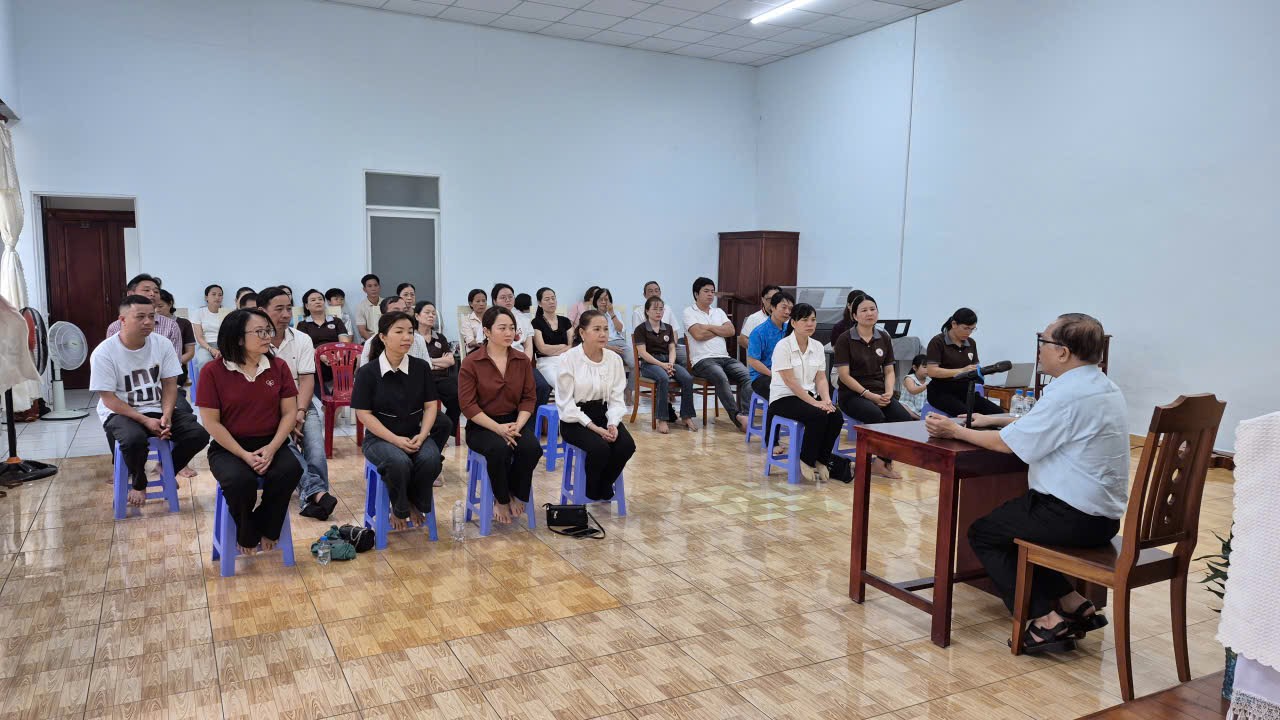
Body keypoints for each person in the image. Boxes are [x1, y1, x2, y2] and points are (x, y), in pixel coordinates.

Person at [926, 313, 1127, 654]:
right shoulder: (1102, 386)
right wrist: (991, 418)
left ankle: (1045, 620)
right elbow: (1042, 422)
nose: (1039, 350)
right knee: (1011, 526)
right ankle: (1073, 602)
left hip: (1070, 514)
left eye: (1043, 342)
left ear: (1063, 352)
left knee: (985, 534)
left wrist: (955, 431)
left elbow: (1007, 445)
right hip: (1103, 517)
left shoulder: (1068, 393)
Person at [196, 308, 302, 555]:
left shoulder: (278, 367)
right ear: (238, 338)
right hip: (229, 447)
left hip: (271, 442)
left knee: (290, 470)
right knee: (239, 481)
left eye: (268, 331)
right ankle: (247, 533)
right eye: (260, 332)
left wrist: (272, 448)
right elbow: (212, 423)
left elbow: (289, 413)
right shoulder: (212, 371)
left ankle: (269, 528)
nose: (267, 336)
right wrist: (244, 455)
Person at [91, 294, 209, 505]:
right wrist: (145, 421)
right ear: (122, 320)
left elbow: (170, 384)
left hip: (155, 406)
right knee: (134, 440)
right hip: (120, 412)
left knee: (198, 434)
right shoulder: (104, 352)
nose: (148, 322)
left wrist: (167, 415)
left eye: (151, 316)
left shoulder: (162, 344)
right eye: (140, 317)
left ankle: (167, 468)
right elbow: (108, 399)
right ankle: (139, 482)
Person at [352, 311, 446, 530]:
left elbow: (431, 406)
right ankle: (401, 508)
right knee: (399, 462)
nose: (407, 337)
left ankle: (414, 502)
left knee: (431, 459)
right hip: (380, 439)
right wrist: (395, 440)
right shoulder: (367, 372)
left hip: (415, 434)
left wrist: (423, 435)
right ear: (383, 337)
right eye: (399, 331)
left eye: (410, 332)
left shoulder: (421, 367)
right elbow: (363, 414)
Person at [459, 307, 543, 524]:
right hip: (482, 425)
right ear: (487, 331)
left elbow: (529, 398)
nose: (508, 333)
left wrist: (518, 425)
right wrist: (498, 429)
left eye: (512, 328)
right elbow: (468, 406)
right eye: (502, 328)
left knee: (531, 448)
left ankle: (516, 492)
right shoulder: (472, 362)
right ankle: (501, 499)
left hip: (514, 421)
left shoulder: (521, 360)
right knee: (499, 449)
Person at [260, 287, 338, 520]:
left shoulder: (301, 338)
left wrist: (301, 412)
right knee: (287, 446)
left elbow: (306, 380)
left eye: (288, 308)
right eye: (279, 309)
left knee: (315, 448)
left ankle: (313, 498)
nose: (286, 314)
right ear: (262, 311)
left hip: (301, 402)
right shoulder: (256, 342)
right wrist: (288, 418)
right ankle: (318, 495)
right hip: (269, 408)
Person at [557, 310, 635, 500]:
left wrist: (613, 423)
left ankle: (603, 484)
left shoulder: (614, 359)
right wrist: (595, 429)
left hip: (604, 413)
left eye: (606, 329)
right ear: (582, 333)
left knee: (626, 446)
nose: (603, 334)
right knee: (600, 448)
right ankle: (592, 489)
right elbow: (566, 404)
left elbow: (616, 398)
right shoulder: (569, 358)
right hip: (575, 419)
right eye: (597, 329)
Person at [833, 292, 910, 478]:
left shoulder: (883, 337)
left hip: (880, 392)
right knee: (876, 416)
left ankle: (881, 462)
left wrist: (889, 392)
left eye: (873, 309)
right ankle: (880, 463)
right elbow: (844, 376)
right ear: (854, 315)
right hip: (852, 394)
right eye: (864, 310)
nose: (869, 313)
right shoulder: (845, 339)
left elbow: (889, 371)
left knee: (903, 418)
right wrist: (869, 395)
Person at [767, 303, 843, 483]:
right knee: (818, 415)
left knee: (835, 415)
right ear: (793, 323)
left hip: (808, 396)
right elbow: (790, 382)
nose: (810, 324)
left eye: (813, 320)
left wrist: (826, 400)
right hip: (783, 398)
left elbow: (821, 378)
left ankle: (821, 459)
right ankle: (806, 459)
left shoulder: (817, 346)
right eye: (805, 320)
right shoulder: (783, 346)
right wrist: (815, 403)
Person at [683, 277, 751, 431]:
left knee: (748, 375)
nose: (710, 294)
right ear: (696, 294)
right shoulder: (689, 312)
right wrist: (720, 330)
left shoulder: (718, 312)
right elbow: (698, 335)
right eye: (706, 291)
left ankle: (746, 415)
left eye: (712, 292)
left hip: (725, 358)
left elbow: (731, 331)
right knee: (720, 376)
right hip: (702, 360)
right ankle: (737, 417)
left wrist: (707, 327)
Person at [632, 296, 696, 434]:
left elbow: (672, 349)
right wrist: (662, 365)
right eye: (655, 309)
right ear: (647, 311)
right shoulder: (640, 329)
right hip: (650, 364)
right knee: (663, 378)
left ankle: (686, 416)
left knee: (687, 378)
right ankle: (662, 419)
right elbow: (642, 353)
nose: (658, 312)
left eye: (661, 309)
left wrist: (670, 364)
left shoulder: (668, 328)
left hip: (668, 361)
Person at [926, 307, 1004, 417]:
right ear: (954, 324)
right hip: (940, 391)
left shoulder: (971, 343)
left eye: (972, 329)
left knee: (998, 413)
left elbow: (974, 367)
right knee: (968, 415)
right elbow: (932, 371)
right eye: (966, 328)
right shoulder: (938, 342)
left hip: (965, 390)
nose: (969, 332)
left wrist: (985, 371)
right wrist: (961, 370)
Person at [493, 283, 551, 407]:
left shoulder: (523, 319)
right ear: (494, 301)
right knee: (509, 387)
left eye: (510, 296)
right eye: (503, 297)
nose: (508, 300)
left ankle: (531, 418)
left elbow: (528, 346)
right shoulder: (489, 319)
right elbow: (485, 345)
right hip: (497, 364)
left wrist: (525, 363)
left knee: (542, 386)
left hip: (521, 362)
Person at [416, 299, 460, 458]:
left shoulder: (440, 337)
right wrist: (437, 362)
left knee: (458, 395)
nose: (431, 316)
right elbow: (417, 363)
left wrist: (429, 362)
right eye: (427, 312)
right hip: (421, 380)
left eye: (433, 313)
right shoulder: (412, 337)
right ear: (417, 316)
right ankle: (430, 431)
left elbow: (450, 361)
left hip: (440, 378)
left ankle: (448, 432)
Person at [105, 274, 183, 359]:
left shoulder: (171, 326)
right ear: (130, 294)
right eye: (146, 290)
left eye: (156, 291)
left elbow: (174, 361)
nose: (152, 294)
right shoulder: (115, 327)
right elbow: (112, 358)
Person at [745, 291, 794, 400]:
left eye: (790, 309)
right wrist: (774, 375)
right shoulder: (759, 332)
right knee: (783, 393)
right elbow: (753, 361)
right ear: (772, 307)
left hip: (786, 374)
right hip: (762, 376)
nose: (787, 312)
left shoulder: (791, 330)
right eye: (784, 307)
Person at [632, 280, 687, 371]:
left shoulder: (667, 308)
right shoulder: (638, 312)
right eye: (650, 291)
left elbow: (674, 331)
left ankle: (674, 373)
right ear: (644, 295)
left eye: (656, 290)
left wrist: (672, 346)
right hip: (651, 349)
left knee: (686, 356)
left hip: (669, 346)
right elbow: (638, 336)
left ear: (660, 293)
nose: (654, 293)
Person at [592, 288, 634, 396]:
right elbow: (592, 338)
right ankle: (611, 394)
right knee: (613, 364)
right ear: (596, 301)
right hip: (603, 345)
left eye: (606, 299)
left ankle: (629, 390)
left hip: (620, 343)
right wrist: (608, 347)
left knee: (635, 364)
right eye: (600, 299)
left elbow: (620, 329)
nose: (603, 302)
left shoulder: (615, 313)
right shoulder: (592, 316)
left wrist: (612, 313)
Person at [532, 287, 573, 387]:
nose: (551, 301)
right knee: (562, 385)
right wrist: (563, 346)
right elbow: (542, 348)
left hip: (567, 360)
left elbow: (573, 345)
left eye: (553, 298)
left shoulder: (565, 321)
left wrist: (553, 351)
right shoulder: (536, 322)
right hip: (546, 362)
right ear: (540, 303)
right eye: (547, 299)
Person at [191, 284, 224, 379]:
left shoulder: (226, 312)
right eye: (213, 294)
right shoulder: (199, 312)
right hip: (205, 346)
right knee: (204, 360)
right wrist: (211, 349)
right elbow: (199, 337)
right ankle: (206, 385)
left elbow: (229, 334)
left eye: (220, 295)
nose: (217, 297)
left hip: (223, 345)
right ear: (206, 297)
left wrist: (223, 349)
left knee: (230, 362)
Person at [738, 285, 781, 351]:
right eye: (770, 299)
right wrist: (760, 348)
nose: (774, 302)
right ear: (763, 300)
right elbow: (742, 339)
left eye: (777, 299)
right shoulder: (754, 318)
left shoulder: (787, 318)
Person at [356, 273, 382, 341]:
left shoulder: (387, 303)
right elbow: (362, 330)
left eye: (376, 285)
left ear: (379, 287)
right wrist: (374, 342)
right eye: (369, 286)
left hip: (386, 338)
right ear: (364, 289)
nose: (373, 289)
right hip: (369, 340)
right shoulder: (361, 306)